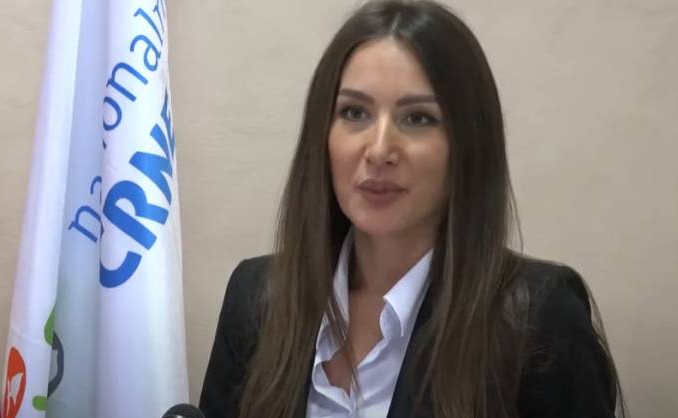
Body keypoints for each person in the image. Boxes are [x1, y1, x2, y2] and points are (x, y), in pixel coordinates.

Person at [199, 1, 627, 417]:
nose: (379, 149)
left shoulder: (539, 318)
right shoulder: (258, 298)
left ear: (466, 145)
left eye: (418, 118)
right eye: (354, 112)